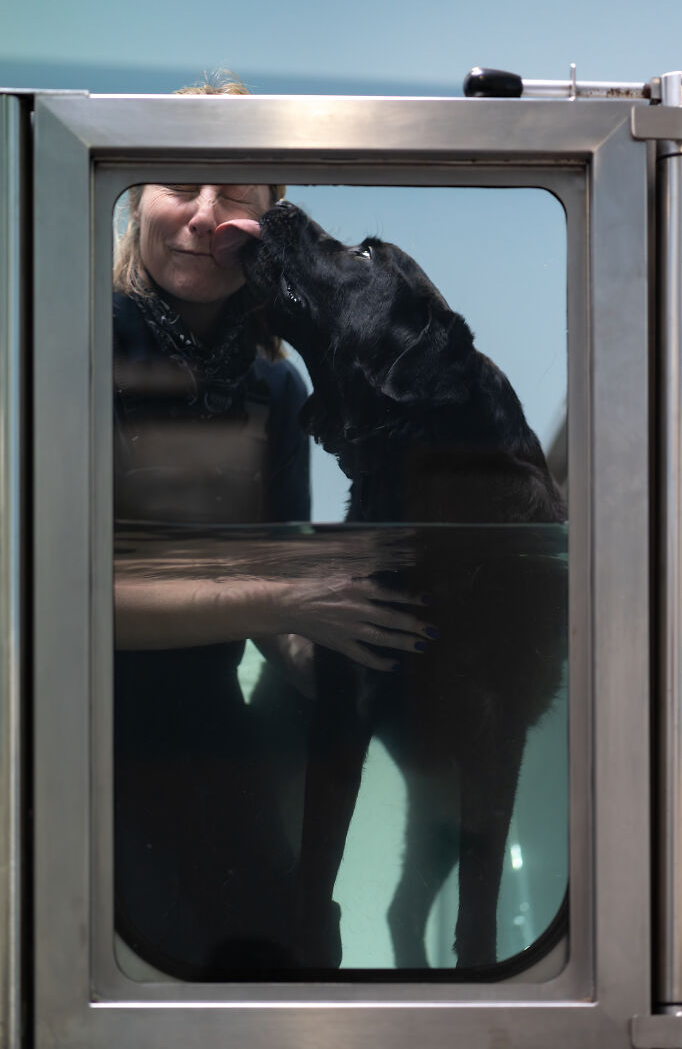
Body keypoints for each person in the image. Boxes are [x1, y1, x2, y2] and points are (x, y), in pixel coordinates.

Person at [112, 74, 434, 979]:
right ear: (134, 202)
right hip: (73, 728)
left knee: (289, 946)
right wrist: (295, 595)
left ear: (268, 225)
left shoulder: (275, 384)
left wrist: (342, 645)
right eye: (182, 187)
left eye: (238, 195)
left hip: (207, 725)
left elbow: (265, 591)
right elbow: (64, 603)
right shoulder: (75, 340)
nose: (207, 214)